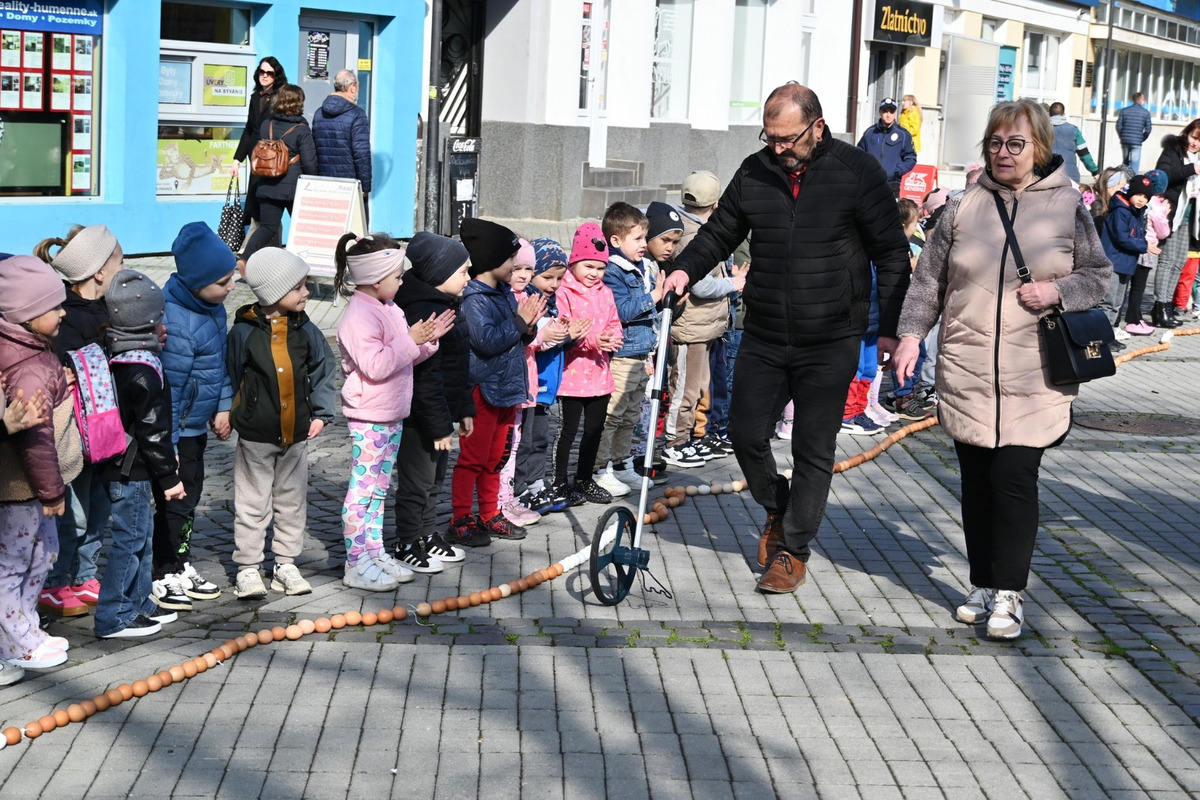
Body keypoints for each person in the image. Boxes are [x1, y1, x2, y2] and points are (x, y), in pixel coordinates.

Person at [663, 83, 912, 594]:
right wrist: (684, 270)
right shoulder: (755, 170)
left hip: (832, 336)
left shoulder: (857, 171)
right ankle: (777, 508)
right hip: (766, 332)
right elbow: (719, 232)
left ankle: (793, 550)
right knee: (745, 433)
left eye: (787, 139)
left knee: (812, 447)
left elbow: (891, 253)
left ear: (817, 127)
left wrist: (891, 328)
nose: (778, 148)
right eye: (770, 137)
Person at [893, 98, 1111, 640]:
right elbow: (928, 281)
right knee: (976, 485)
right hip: (967, 367)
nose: (1003, 153)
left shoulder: (1068, 206)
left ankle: (1009, 594)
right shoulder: (962, 206)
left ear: (1040, 148)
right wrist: (910, 336)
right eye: (995, 143)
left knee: (1013, 480)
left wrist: (1058, 291)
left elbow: (1099, 276)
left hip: (1034, 372)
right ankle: (983, 583)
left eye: (1015, 144)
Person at [334, 234, 453, 591]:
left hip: (391, 413)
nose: (402, 282)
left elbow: (403, 357)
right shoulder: (359, 315)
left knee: (379, 489)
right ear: (375, 279)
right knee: (362, 491)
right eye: (397, 276)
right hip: (369, 415)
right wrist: (411, 339)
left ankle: (374, 551)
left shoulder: (389, 307)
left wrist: (427, 341)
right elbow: (376, 365)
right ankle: (356, 561)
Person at [227, 248, 336, 600]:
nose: (306, 293)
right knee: (252, 503)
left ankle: (285, 564)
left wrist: (321, 413)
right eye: (298, 287)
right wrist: (229, 412)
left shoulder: (306, 329)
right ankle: (247, 567)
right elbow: (230, 374)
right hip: (256, 435)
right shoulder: (243, 332)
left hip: (297, 434)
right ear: (274, 292)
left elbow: (324, 369)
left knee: (292, 502)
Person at [35, 224, 121, 619]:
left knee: (99, 507)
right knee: (75, 514)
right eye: (119, 262)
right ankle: (55, 583)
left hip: (105, 432)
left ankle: (85, 576)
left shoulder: (109, 308)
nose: (122, 269)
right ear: (99, 271)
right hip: (76, 432)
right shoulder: (66, 318)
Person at [0, 255, 80, 664]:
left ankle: (27, 626)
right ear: (28, 316)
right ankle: (15, 642)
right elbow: (37, 440)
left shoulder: (34, 350)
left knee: (42, 555)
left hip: (35, 488)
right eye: (54, 307)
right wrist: (51, 491)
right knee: (15, 562)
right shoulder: (27, 368)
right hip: (23, 487)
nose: (63, 312)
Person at [151, 222, 233, 614]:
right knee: (176, 500)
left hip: (196, 426)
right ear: (198, 282)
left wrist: (223, 405)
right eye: (223, 282)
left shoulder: (213, 309)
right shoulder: (177, 321)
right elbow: (171, 389)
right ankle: (162, 570)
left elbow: (220, 365)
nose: (231, 287)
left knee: (192, 496)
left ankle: (180, 562)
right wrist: (169, 445)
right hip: (177, 430)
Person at [97, 271, 184, 639]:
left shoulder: (120, 356)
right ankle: (113, 615)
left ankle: (139, 600)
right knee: (129, 542)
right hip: (130, 470)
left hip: (129, 468)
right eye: (161, 317)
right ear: (149, 322)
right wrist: (170, 478)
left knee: (142, 537)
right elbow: (153, 432)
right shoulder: (142, 371)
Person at [449, 219, 544, 546]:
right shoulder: (474, 299)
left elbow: (515, 336)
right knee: (473, 459)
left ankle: (490, 513)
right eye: (510, 260)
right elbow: (486, 342)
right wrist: (519, 322)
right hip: (483, 391)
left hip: (506, 388)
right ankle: (461, 518)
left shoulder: (503, 293)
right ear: (492, 261)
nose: (515, 266)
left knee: (496, 458)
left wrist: (528, 327)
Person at [392, 232, 475, 569]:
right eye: (463, 271)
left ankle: (427, 535)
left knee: (434, 479)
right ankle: (408, 541)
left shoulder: (447, 304)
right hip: (420, 418)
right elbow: (426, 378)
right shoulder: (424, 312)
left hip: (441, 414)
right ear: (440, 274)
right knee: (417, 482)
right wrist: (440, 426)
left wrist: (464, 408)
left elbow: (459, 365)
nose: (468, 278)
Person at [553, 222, 623, 504]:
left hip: (599, 374)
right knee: (568, 431)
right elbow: (565, 330)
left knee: (594, 430)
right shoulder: (564, 291)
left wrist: (613, 337)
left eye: (600, 268)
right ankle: (559, 482)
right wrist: (593, 341)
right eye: (588, 266)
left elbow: (614, 321)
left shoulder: (605, 292)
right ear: (574, 263)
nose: (594, 273)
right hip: (571, 375)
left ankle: (584, 479)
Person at [597, 202, 665, 485]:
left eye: (644, 238)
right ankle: (600, 469)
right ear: (615, 240)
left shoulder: (643, 266)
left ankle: (621, 463)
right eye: (637, 238)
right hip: (623, 355)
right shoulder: (613, 271)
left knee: (631, 416)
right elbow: (622, 311)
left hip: (641, 354)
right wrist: (654, 296)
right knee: (613, 415)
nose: (643, 244)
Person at [241, 84, 318, 261]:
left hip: (267, 184)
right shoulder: (301, 129)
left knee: (267, 228)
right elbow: (309, 164)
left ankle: (245, 258)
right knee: (304, 228)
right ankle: (308, 264)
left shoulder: (266, 124)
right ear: (298, 103)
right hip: (293, 188)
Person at [1152, 119, 1200, 328]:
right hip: (1172, 214)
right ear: (1186, 133)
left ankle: (1168, 307)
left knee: (1179, 262)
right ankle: (1160, 307)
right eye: (1193, 137)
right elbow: (1163, 176)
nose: (1195, 143)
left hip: (1190, 217)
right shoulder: (1173, 151)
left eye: (1199, 140)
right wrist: (1192, 169)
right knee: (1167, 261)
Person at [234, 57, 288, 230]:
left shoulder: (281, 98)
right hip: (256, 156)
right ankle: (260, 239)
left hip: (273, 157)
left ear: (276, 76)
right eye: (262, 72)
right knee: (255, 200)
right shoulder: (255, 97)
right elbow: (249, 129)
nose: (264, 76)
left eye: (269, 73)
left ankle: (261, 239)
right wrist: (237, 159)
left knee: (268, 204)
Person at [1099, 175, 1157, 335]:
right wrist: (1144, 246)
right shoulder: (1120, 211)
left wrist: (1145, 243)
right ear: (1130, 193)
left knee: (1117, 303)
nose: (1141, 199)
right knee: (1108, 302)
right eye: (1138, 194)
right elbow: (1122, 238)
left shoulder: (1136, 213)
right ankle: (1102, 336)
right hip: (1114, 263)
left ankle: (1109, 334)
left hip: (1126, 264)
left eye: (1145, 197)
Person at [312, 70, 372, 210]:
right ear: (352, 87)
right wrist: (365, 186)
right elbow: (361, 153)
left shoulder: (319, 113)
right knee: (357, 223)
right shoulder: (357, 115)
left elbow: (314, 149)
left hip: (324, 184)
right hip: (350, 185)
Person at [856, 97, 917, 193]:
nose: (888, 115)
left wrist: (897, 171)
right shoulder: (870, 133)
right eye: (885, 111)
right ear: (880, 112)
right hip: (870, 182)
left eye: (891, 112)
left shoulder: (903, 135)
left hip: (892, 184)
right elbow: (858, 155)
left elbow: (911, 158)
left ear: (895, 113)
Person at [1048, 102, 1099, 186]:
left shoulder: (1042, 131)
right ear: (1064, 114)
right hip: (1070, 175)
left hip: (1048, 175)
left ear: (1049, 113)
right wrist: (1094, 171)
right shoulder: (1074, 130)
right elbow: (1084, 154)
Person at [1116, 92, 1153, 172]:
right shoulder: (1145, 112)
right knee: (1134, 165)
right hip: (1136, 142)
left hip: (1125, 141)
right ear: (1140, 100)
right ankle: (1133, 179)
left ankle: (1124, 178)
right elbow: (1148, 129)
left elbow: (1118, 126)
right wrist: (1141, 138)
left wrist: (1122, 136)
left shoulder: (1124, 111)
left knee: (1125, 163)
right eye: (1143, 99)